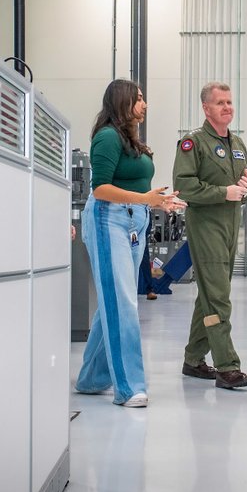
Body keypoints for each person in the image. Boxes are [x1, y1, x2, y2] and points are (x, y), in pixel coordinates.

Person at [75, 79, 186, 407]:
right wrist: (144, 199)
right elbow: (100, 188)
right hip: (109, 218)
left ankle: (92, 379)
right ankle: (129, 387)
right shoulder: (107, 136)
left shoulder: (130, 140)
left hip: (133, 220)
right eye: (138, 99)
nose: (144, 104)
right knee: (123, 301)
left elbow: (139, 187)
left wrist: (158, 201)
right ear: (123, 102)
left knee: (115, 299)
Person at [173, 82, 247, 390]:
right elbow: (184, 185)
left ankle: (193, 359)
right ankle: (226, 366)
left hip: (231, 223)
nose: (227, 107)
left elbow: (245, 179)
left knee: (209, 293)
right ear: (206, 109)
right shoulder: (193, 143)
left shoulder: (238, 143)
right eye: (220, 103)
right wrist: (225, 192)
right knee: (218, 295)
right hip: (205, 223)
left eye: (230, 102)